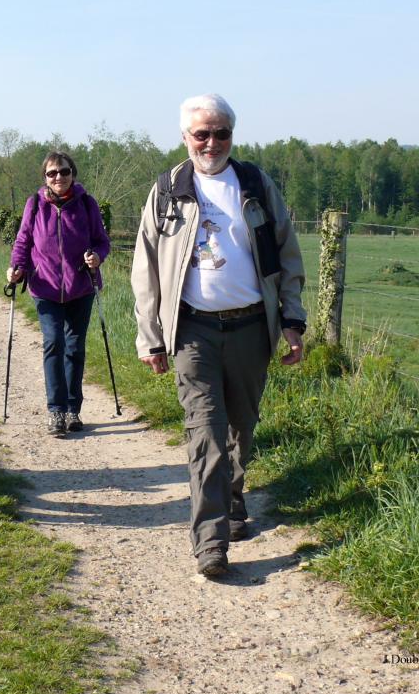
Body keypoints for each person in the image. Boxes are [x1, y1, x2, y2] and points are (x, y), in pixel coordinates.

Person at [131, 94, 306, 577]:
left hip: (252, 326)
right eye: (201, 134)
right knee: (204, 431)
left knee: (240, 428)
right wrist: (151, 335)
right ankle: (210, 540)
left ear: (233, 134)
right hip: (193, 330)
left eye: (220, 133)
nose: (211, 143)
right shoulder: (168, 189)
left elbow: (287, 255)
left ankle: (230, 497)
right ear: (185, 136)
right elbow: (145, 267)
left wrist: (292, 321)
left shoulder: (254, 184)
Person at [7, 150, 111, 437]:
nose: (59, 177)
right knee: (54, 343)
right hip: (45, 287)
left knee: (75, 348)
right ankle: (56, 411)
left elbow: (102, 242)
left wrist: (97, 258)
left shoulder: (87, 204)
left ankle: (72, 408)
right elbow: (23, 241)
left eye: (64, 172)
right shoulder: (35, 204)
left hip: (81, 287)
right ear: (45, 178)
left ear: (72, 174)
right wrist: (16, 268)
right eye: (52, 173)